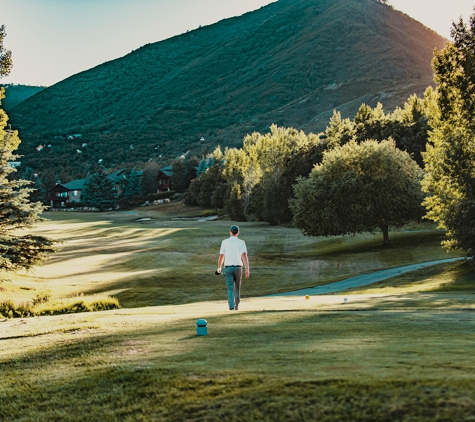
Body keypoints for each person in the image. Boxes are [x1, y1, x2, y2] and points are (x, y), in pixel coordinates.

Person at [217, 225, 250, 310]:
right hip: (238, 267)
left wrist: (219, 267)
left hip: (228, 268)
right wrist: (247, 269)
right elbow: (244, 256)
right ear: (238, 232)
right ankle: (237, 307)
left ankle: (231, 306)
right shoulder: (241, 242)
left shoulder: (225, 242)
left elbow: (221, 256)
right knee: (237, 288)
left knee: (230, 288)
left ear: (230, 232)